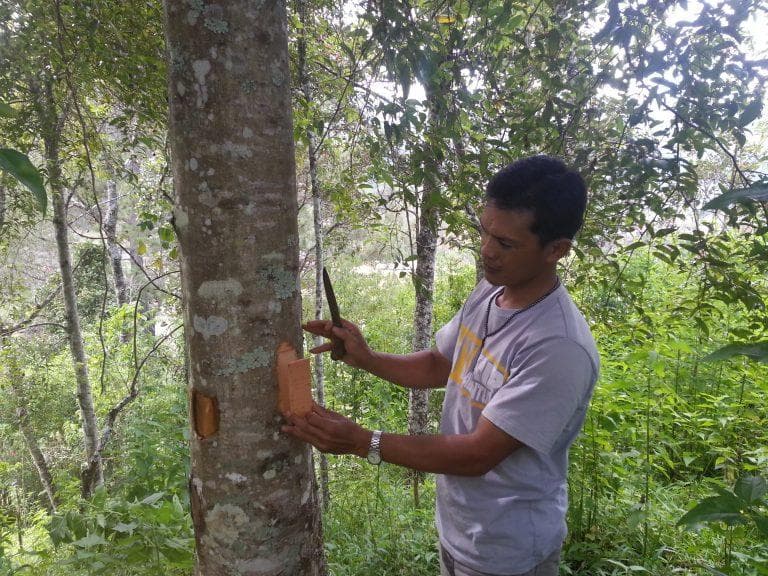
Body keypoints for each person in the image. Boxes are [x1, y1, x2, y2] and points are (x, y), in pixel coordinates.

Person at [283, 155, 600, 576]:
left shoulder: (558, 347)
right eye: (484, 232)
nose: (487, 251)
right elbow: (440, 364)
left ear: (556, 250)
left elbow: (477, 455)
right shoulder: (492, 292)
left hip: (508, 550)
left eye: (505, 244)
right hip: (462, 529)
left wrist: (362, 441)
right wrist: (367, 357)